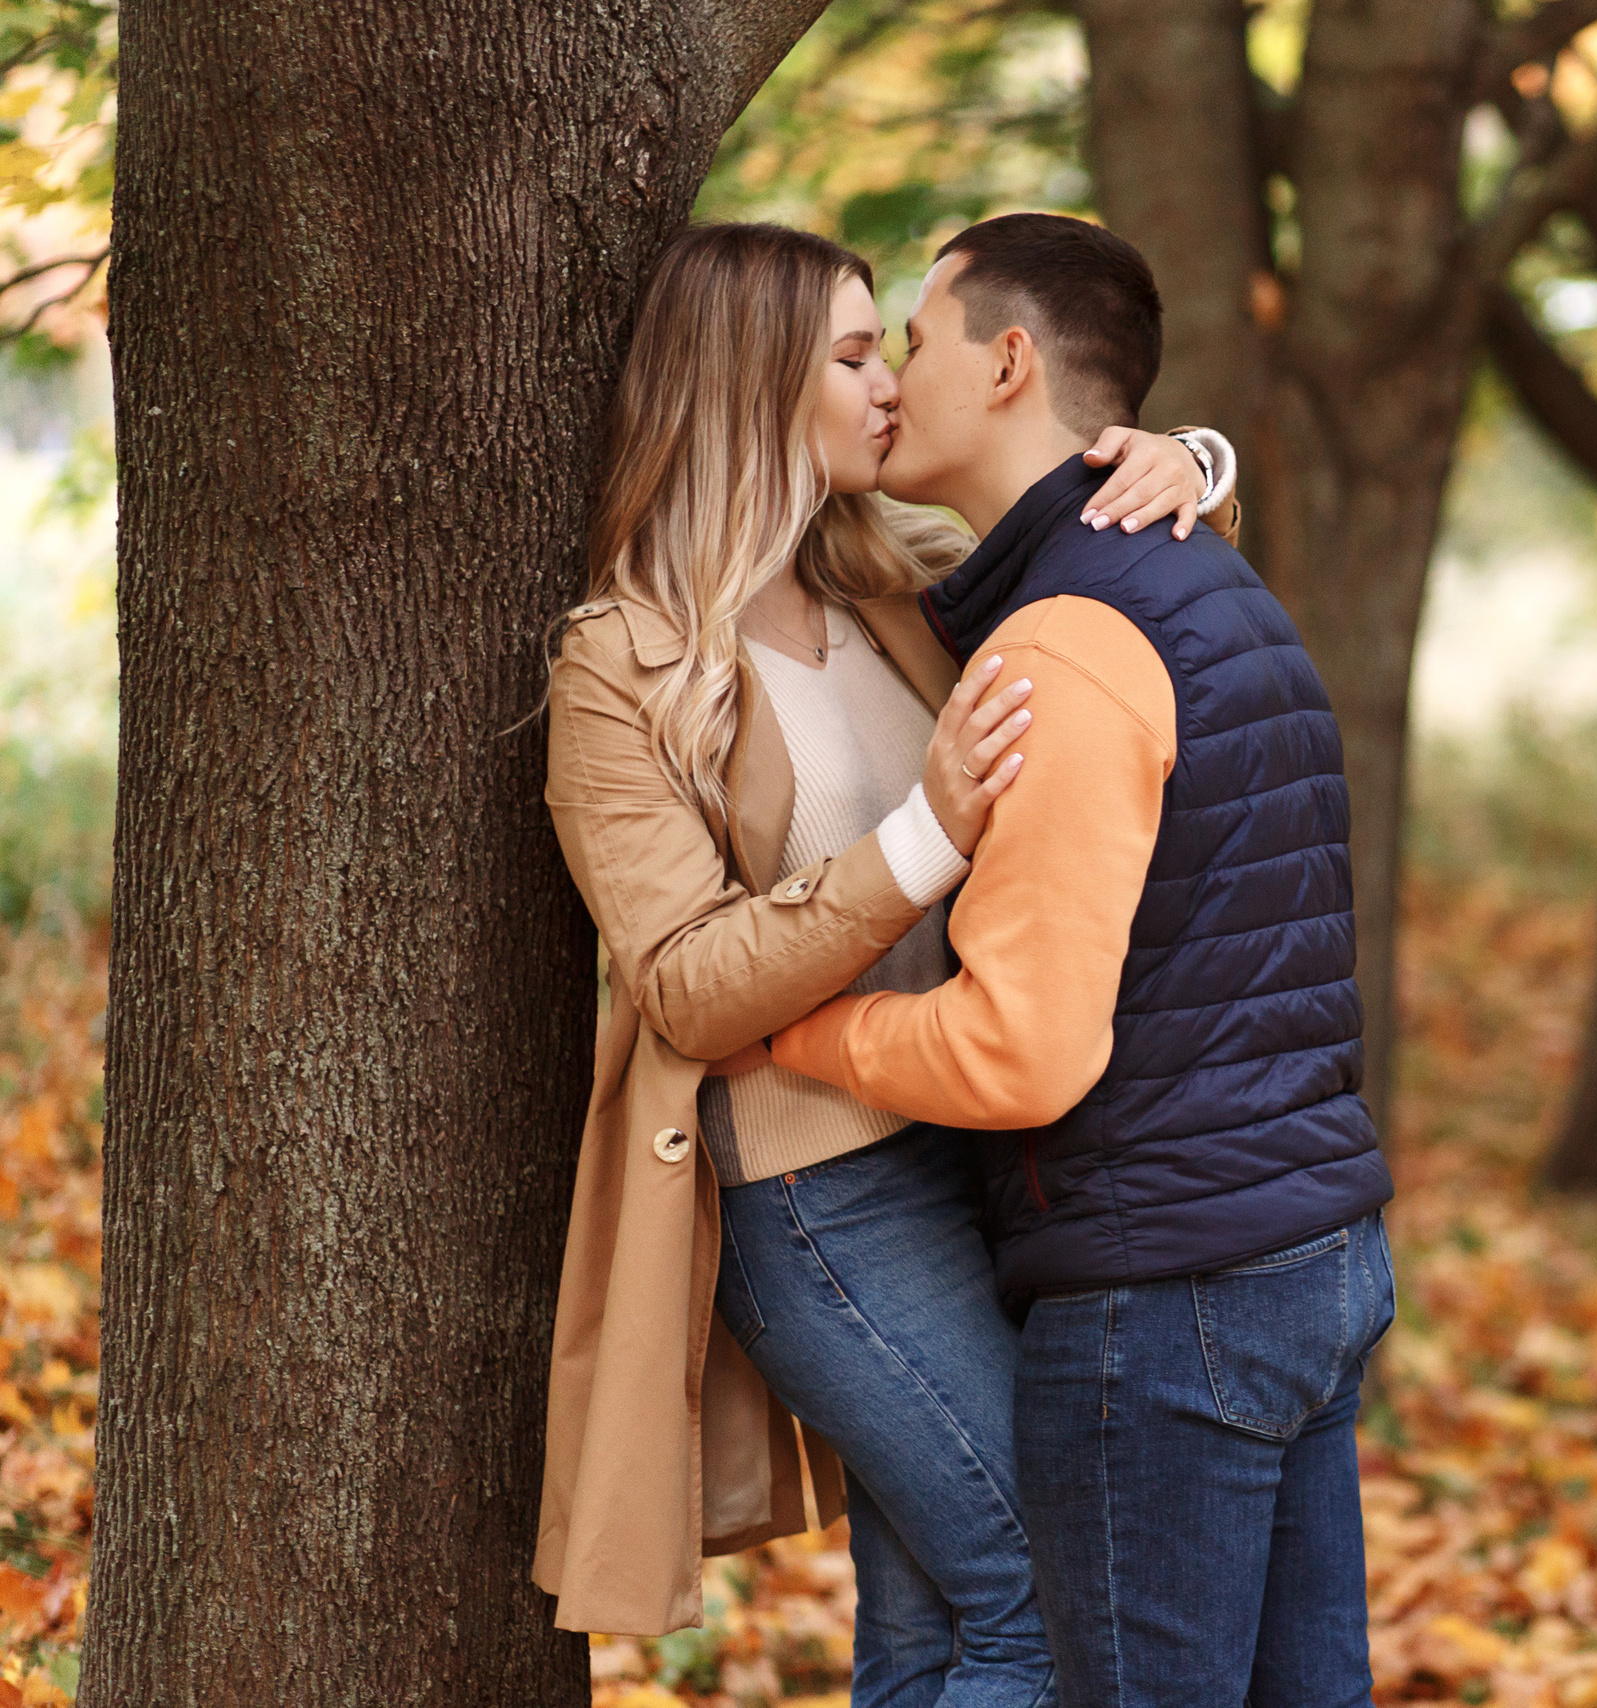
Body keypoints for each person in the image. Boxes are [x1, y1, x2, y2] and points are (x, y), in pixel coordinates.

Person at [529, 221, 1239, 1708]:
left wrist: (1190, 459)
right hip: (818, 1194)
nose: (890, 388)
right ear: (750, 387)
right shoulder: (621, 663)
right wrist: (924, 837)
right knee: (1036, 1596)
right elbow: (682, 983)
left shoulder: (896, 579)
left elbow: (1121, 586)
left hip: (974, 1140)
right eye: (856, 358)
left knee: (936, 1626)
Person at [770, 211, 1396, 1708]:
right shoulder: (1208, 582)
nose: (896, 376)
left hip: (1169, 1297)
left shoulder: (1066, 641)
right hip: (1314, 1250)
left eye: (912, 341)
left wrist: (800, 1036)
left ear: (1006, 364)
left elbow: (1023, 1051)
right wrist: (1205, 456)